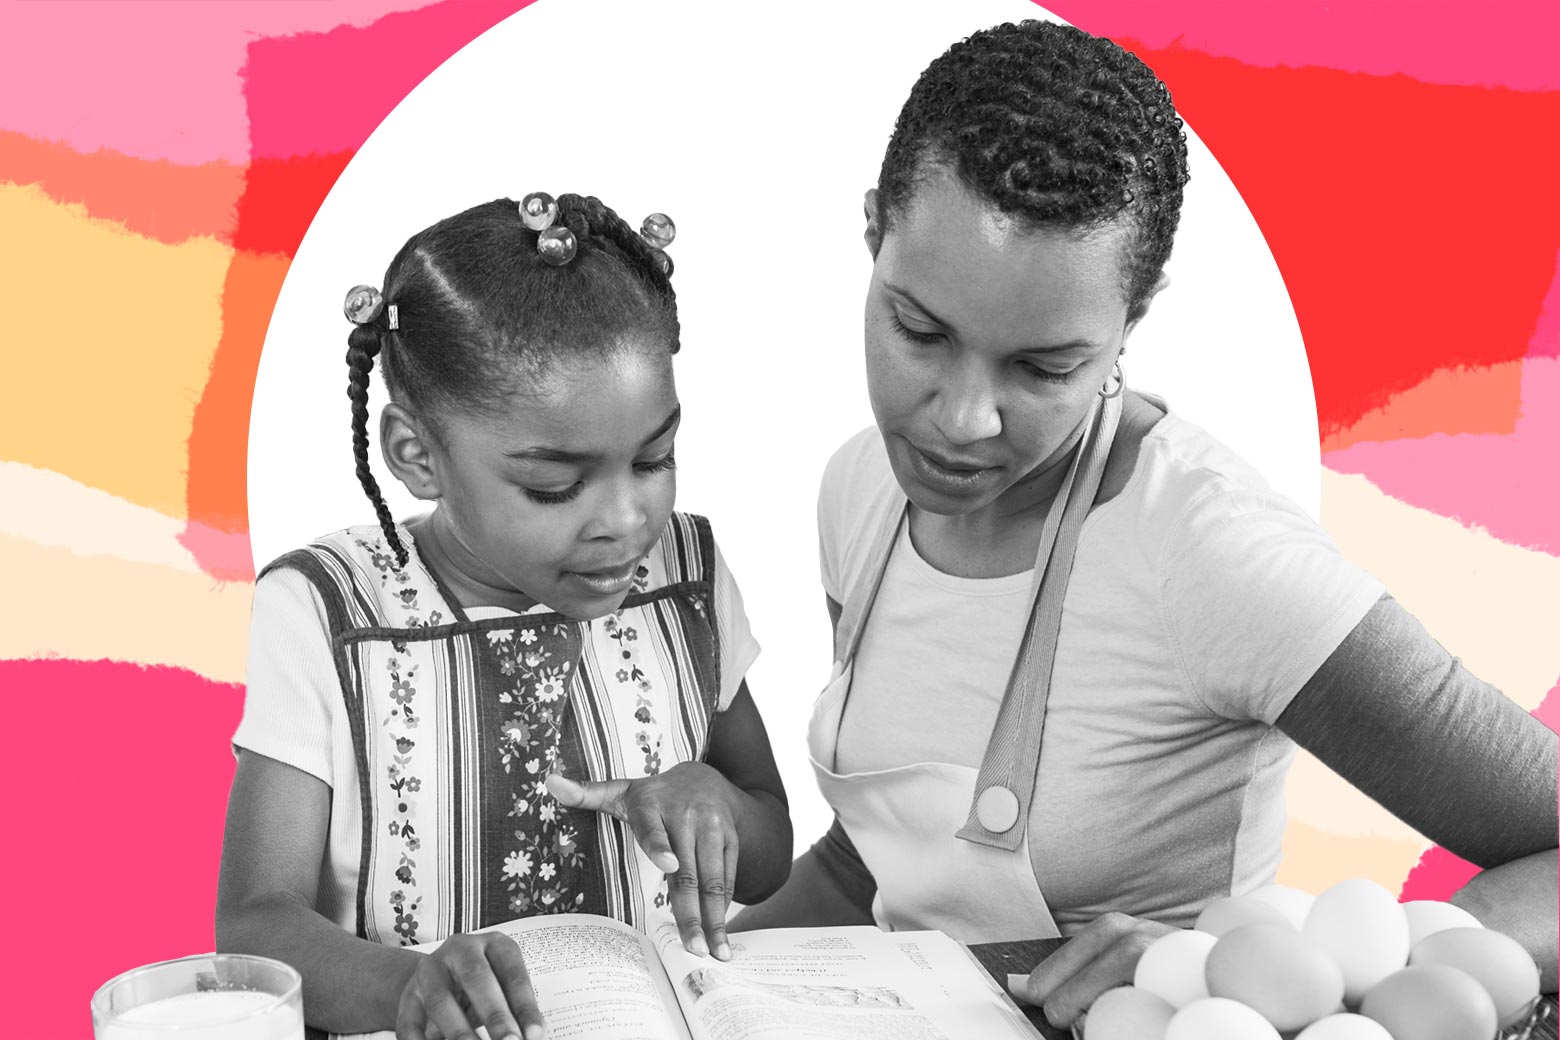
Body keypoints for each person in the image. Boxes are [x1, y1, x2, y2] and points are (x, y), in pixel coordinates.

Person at [732, 20, 1558, 1029]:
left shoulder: (1211, 556)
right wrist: (665, 976)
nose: (961, 418)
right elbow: (883, 864)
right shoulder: (860, 490)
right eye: (920, 330)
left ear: (1134, 318)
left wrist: (1243, 967)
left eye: (1044, 368)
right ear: (874, 236)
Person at [217, 193, 793, 1040]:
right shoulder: (325, 609)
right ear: (416, 455)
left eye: (654, 458)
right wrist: (408, 986)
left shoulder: (687, 573)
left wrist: (718, 805)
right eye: (555, 486)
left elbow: (771, 845)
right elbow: (255, 923)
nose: (626, 520)